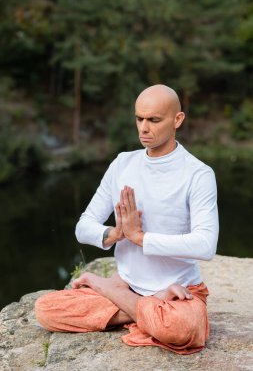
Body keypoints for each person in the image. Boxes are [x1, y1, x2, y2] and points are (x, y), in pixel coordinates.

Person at [35, 84, 219, 355]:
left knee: (184, 327)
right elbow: (83, 227)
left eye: (154, 120)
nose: (143, 127)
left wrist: (140, 238)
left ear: (177, 120)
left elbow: (205, 245)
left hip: (180, 290)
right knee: (46, 309)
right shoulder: (122, 164)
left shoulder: (198, 174)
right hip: (128, 284)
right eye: (139, 118)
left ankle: (110, 292)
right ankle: (146, 308)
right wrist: (117, 233)